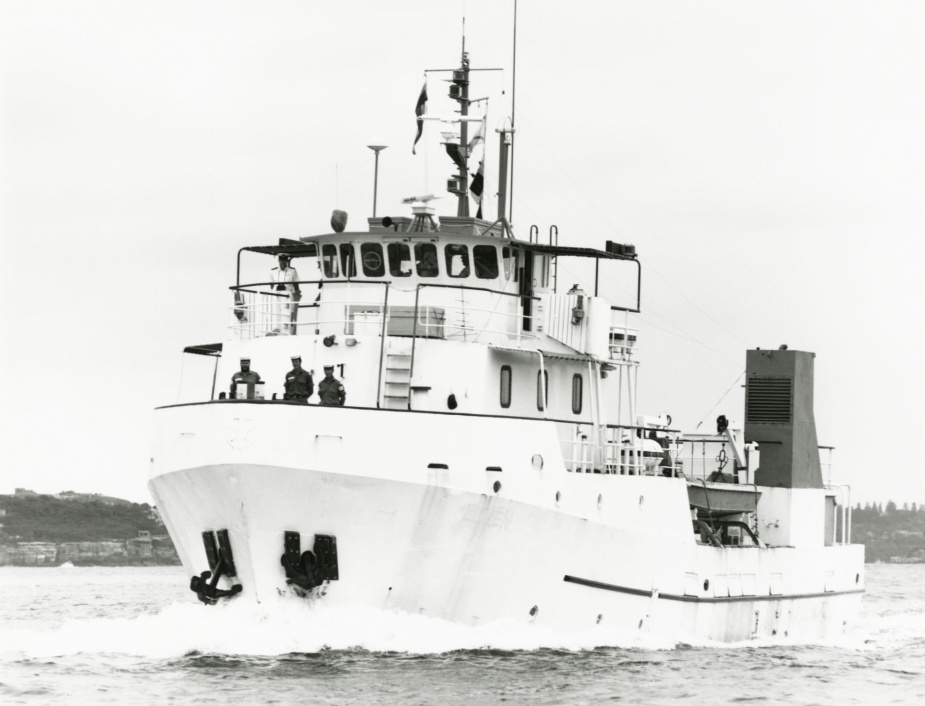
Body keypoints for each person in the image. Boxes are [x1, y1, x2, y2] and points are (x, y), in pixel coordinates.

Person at [274, 253, 301, 334]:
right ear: (279, 261)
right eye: (281, 260)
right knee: (277, 313)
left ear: (287, 261)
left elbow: (296, 285)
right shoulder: (273, 271)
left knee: (288, 315)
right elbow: (271, 285)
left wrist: (297, 295)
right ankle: (277, 329)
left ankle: (289, 331)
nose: (283, 262)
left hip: (288, 296)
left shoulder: (292, 271)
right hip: (277, 296)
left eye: (284, 260)